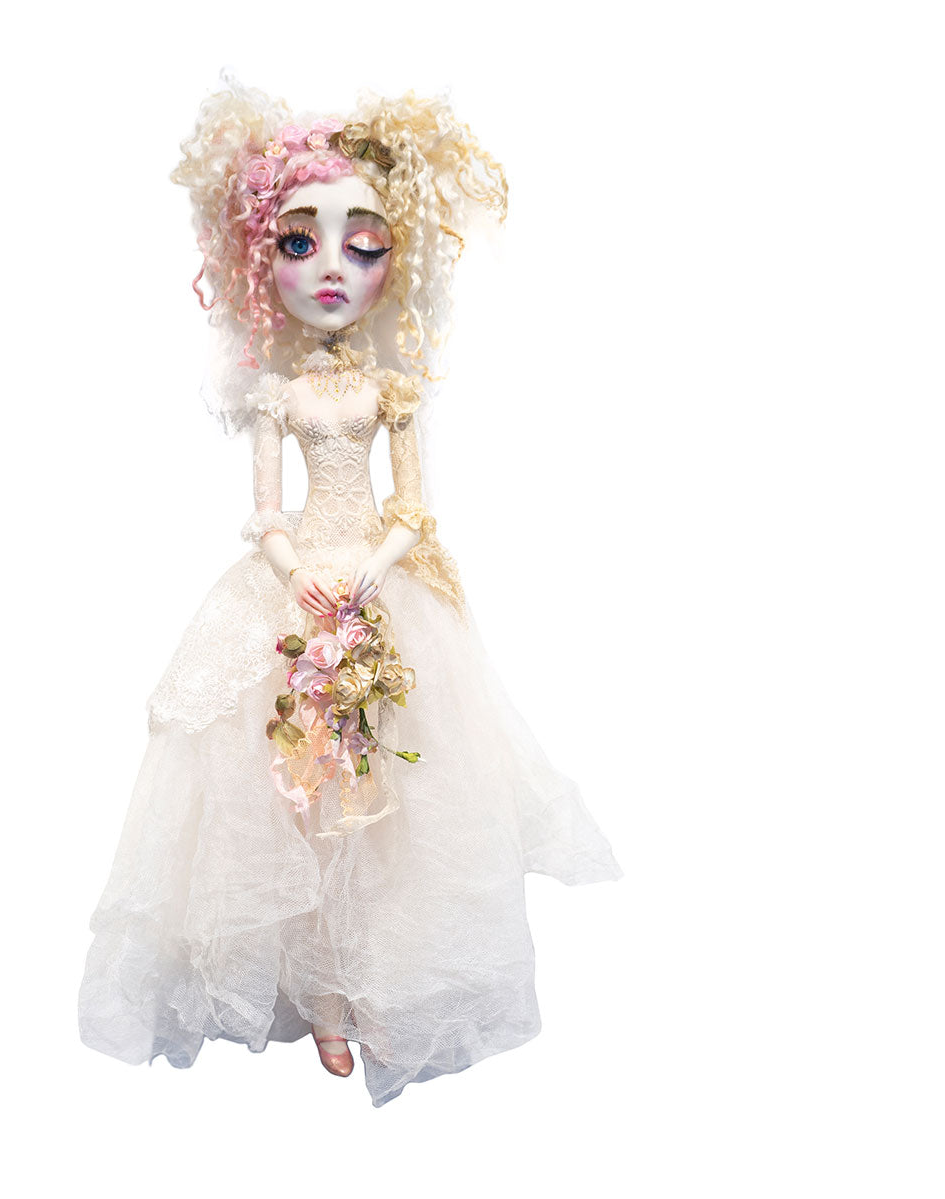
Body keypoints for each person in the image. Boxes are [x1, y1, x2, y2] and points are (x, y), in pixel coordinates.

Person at [77, 76, 623, 1108]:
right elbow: (264, 513)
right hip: (296, 592)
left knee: (397, 791)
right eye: (299, 241)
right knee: (290, 790)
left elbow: (413, 506)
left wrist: (369, 574)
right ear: (256, 261)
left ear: (394, 262)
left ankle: (381, 985)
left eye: (362, 245)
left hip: (378, 581)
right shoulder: (277, 395)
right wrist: (303, 582)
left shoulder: (390, 390)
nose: (332, 265)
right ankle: (323, 995)